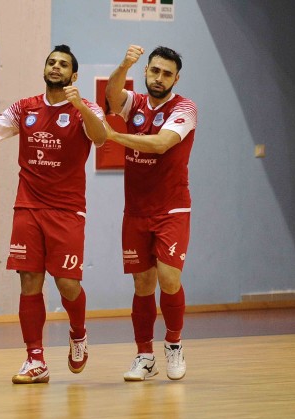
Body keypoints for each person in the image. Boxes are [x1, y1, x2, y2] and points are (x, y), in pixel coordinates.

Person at [0, 44, 106, 384]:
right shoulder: (25, 107)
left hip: (67, 210)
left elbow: (101, 137)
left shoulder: (86, 108)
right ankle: (35, 359)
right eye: (51, 62)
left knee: (67, 284)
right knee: (29, 282)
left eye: (63, 64)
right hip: (28, 206)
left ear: (74, 75)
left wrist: (78, 105)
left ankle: (78, 332)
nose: (55, 67)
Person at [104, 45, 197, 382]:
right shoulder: (136, 103)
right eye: (154, 70)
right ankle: (145, 356)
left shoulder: (185, 108)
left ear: (176, 79)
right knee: (142, 284)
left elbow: (160, 144)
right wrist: (124, 64)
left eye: (167, 73)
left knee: (169, 278)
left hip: (172, 208)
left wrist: (114, 136)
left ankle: (174, 344)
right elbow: (112, 97)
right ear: (146, 71)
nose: (159, 78)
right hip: (136, 210)